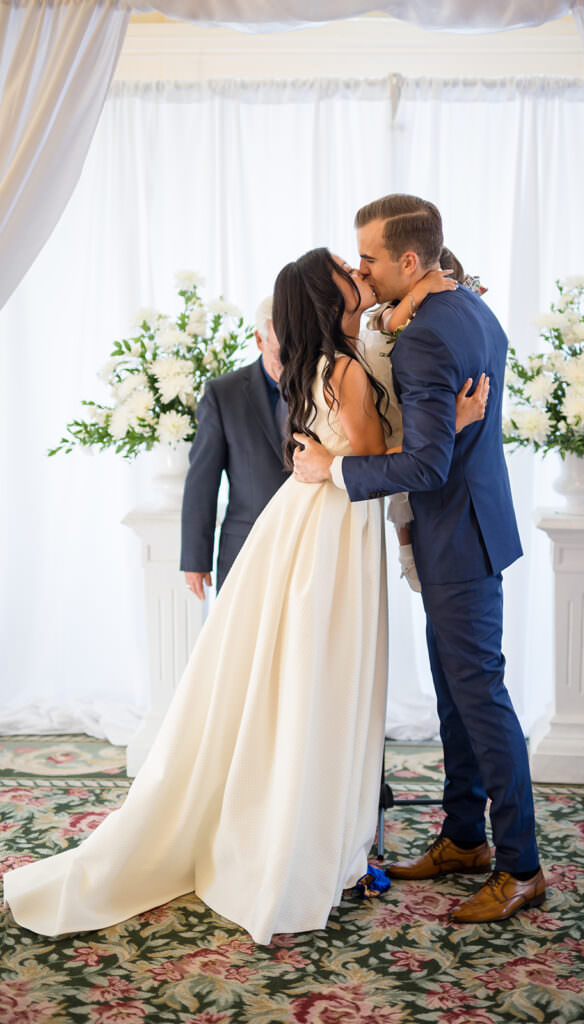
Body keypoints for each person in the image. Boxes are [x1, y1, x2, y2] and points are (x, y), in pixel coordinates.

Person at [3, 248, 486, 945]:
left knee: (298, 677)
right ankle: (299, 838)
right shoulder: (346, 369)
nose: (359, 275)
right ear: (329, 299)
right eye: (347, 273)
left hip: (309, 519)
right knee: (322, 676)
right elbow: (371, 461)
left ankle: (295, 823)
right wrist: (454, 428)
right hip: (331, 528)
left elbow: (354, 450)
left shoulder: (321, 363)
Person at [293, 194, 545, 923]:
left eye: (368, 258)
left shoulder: (426, 336)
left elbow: (427, 466)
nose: (362, 270)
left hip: (457, 534)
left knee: (480, 700)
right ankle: (464, 837)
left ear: (409, 260)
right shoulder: (466, 306)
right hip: (467, 527)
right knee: (455, 696)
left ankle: (521, 866)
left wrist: (333, 471)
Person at [181, 296, 289, 601]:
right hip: (245, 549)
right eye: (281, 352)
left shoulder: (320, 385)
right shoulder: (223, 394)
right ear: (259, 340)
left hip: (308, 546)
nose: (290, 361)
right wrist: (195, 559)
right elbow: (202, 480)